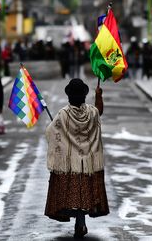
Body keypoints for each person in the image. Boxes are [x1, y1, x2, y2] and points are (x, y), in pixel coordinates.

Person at [45, 78, 109, 238]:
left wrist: (55, 127)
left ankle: (79, 223)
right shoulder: (91, 113)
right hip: (88, 164)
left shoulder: (63, 114)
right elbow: (99, 111)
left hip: (71, 165)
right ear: (84, 96)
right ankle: (81, 223)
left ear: (69, 97)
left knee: (74, 195)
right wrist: (98, 96)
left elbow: (50, 132)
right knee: (84, 194)